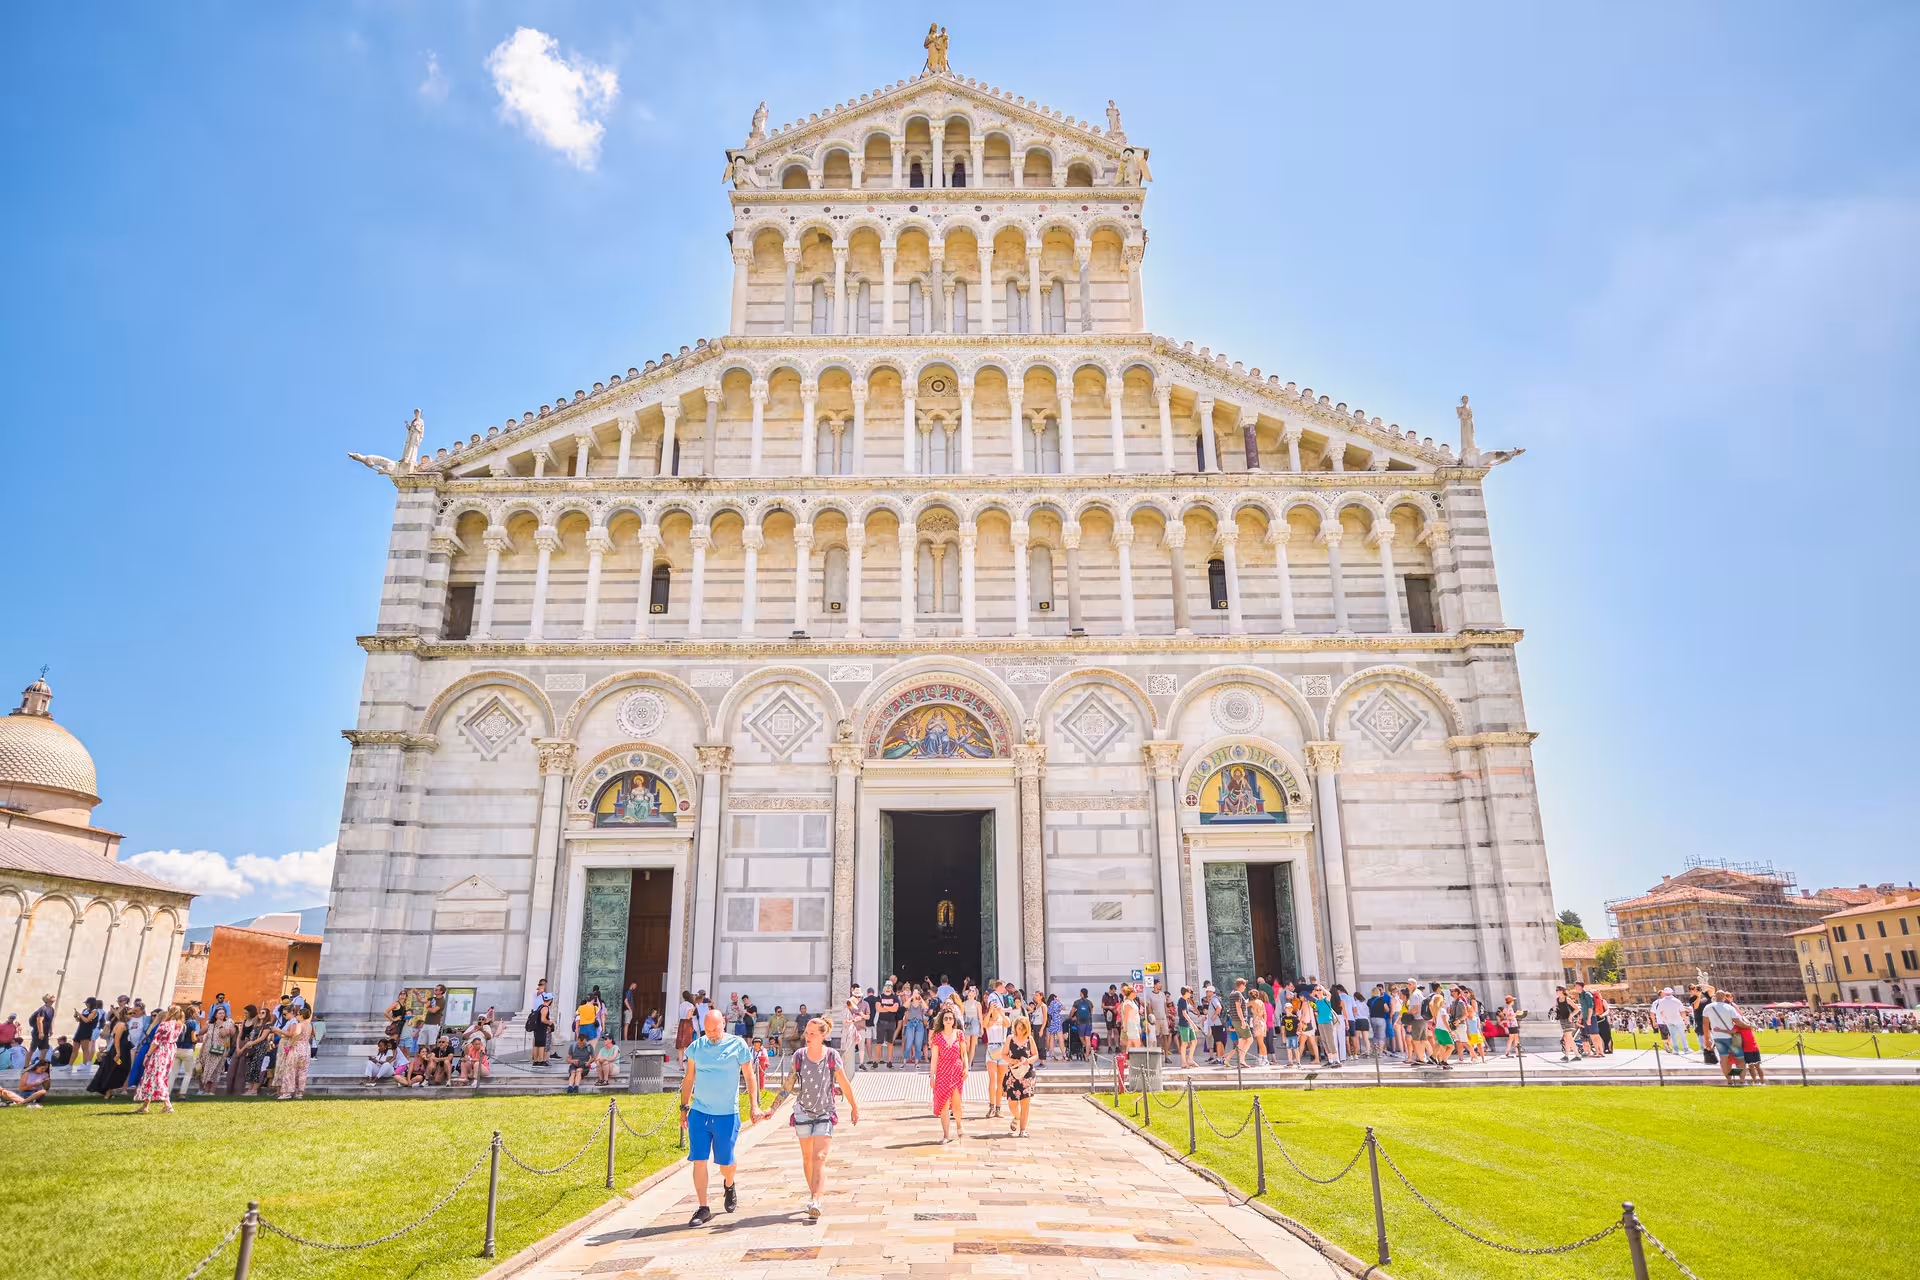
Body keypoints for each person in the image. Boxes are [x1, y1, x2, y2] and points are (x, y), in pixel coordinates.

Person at [680, 1009, 765, 1226]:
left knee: (725, 1162)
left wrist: (754, 1106)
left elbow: (749, 1076)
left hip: (727, 1114)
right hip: (699, 1113)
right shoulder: (696, 1047)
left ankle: (729, 1184)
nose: (712, 1034)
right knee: (699, 1160)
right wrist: (684, 1109)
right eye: (707, 1030)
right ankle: (703, 1207)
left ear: (724, 1024)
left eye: (715, 1030)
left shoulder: (738, 1045)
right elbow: (689, 1079)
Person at [786, 1014, 860, 1219]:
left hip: (825, 1111)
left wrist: (854, 1106)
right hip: (802, 1111)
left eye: (811, 1033)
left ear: (823, 1035)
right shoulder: (799, 1055)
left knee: (820, 1158)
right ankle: (813, 1197)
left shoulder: (831, 1056)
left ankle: (816, 1199)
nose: (806, 1036)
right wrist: (770, 1110)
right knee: (807, 1158)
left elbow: (843, 1082)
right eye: (806, 1032)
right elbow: (788, 1085)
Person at [928, 1003, 969, 1144]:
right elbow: (934, 1058)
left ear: (954, 1020)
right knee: (943, 1104)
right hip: (942, 1071)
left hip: (956, 1071)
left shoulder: (959, 1034)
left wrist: (966, 1067)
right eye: (946, 1018)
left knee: (956, 1104)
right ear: (942, 1020)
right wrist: (931, 1076)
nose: (948, 1021)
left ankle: (958, 1124)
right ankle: (946, 1135)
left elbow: (964, 1053)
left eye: (950, 1018)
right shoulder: (938, 1037)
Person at [132, 1005, 184, 1114]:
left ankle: (167, 1104)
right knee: (155, 1076)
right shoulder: (179, 1025)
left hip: (160, 1051)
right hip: (170, 1051)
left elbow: (155, 1042)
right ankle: (145, 1105)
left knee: (156, 1077)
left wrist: (147, 1055)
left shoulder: (164, 1025)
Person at [1002, 1012, 1037, 1136]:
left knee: (1025, 1102)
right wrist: (1012, 1061)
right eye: (1019, 1028)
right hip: (1013, 1073)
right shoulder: (1010, 1039)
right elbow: (1004, 1055)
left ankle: (1023, 1130)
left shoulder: (1030, 1039)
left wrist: (1027, 1060)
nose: (1021, 1031)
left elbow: (1035, 1055)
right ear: (1015, 1027)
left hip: (1027, 1073)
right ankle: (1016, 1117)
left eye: (1023, 1029)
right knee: (1012, 1102)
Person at [1703, 989, 1742, 1085]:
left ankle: (1729, 1080)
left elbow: (1705, 1024)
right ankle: (1741, 1080)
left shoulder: (1708, 1007)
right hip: (1731, 1036)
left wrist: (1707, 1039)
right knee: (1739, 1058)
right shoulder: (1729, 1007)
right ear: (1724, 997)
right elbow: (1738, 1021)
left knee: (1724, 1059)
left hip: (1717, 1037)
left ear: (1715, 997)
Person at [982, 999, 1008, 1117]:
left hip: (1002, 1048)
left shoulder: (1002, 1020)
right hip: (992, 1048)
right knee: (992, 1079)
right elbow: (984, 1024)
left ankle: (998, 1107)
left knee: (1001, 1080)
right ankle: (991, 1106)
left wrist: (1000, 1012)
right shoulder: (988, 1019)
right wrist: (991, 1011)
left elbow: (1008, 1023)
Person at [874, 984, 901, 1069]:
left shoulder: (895, 997)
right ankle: (875, 1061)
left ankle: (889, 1061)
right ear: (884, 987)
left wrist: (885, 1007)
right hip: (881, 1022)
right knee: (879, 1042)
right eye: (887, 986)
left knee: (890, 1042)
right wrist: (890, 1008)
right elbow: (878, 1009)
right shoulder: (880, 996)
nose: (888, 987)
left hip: (891, 1022)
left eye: (890, 986)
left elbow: (895, 1009)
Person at [71, 997, 102, 1071]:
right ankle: (70, 1064)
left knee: (85, 1049)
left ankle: (85, 1064)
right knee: (75, 1047)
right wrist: (76, 1016)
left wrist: (80, 1015)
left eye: (87, 1003)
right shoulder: (85, 1010)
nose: (86, 1005)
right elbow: (80, 1020)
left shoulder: (94, 1012)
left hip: (87, 1031)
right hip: (80, 1030)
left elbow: (87, 1020)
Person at [903, 987, 929, 1065]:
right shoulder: (910, 1004)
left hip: (919, 1023)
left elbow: (926, 1007)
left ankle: (917, 1060)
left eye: (917, 993)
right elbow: (905, 1005)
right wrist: (911, 997)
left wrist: (920, 998)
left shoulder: (921, 1004)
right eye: (914, 993)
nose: (916, 995)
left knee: (918, 1043)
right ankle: (905, 1059)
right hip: (911, 1023)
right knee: (909, 1043)